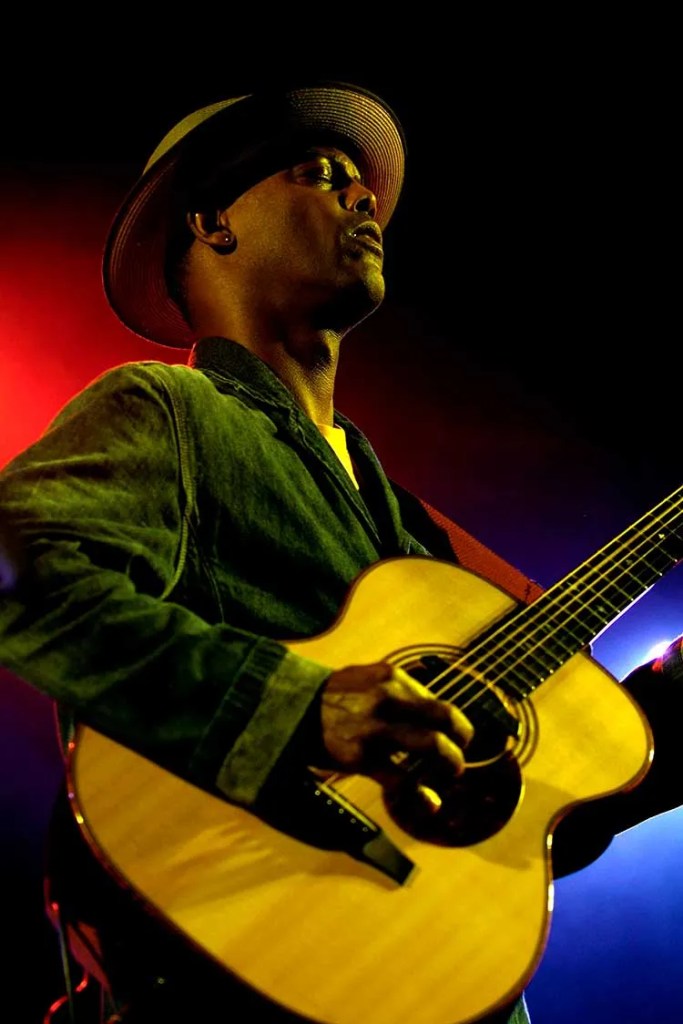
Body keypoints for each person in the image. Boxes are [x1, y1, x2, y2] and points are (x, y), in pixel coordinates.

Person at [0, 79, 682, 1024]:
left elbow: (526, 820)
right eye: (323, 175)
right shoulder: (169, 411)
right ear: (213, 224)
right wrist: (300, 710)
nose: (365, 198)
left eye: (363, 185)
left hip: (438, 979)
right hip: (229, 964)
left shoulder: (411, 531)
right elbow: (16, 577)